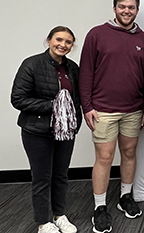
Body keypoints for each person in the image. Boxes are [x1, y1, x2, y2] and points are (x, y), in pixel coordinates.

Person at [79, 0, 144, 233]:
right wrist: (87, 106)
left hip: (133, 109)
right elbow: (86, 72)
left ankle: (125, 197)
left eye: (131, 7)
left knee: (129, 153)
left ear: (137, 10)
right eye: (122, 7)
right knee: (104, 157)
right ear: (114, 9)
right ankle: (100, 207)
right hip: (102, 110)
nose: (126, 11)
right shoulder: (96, 34)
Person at [11, 26, 82, 233]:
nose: (63, 45)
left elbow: (75, 100)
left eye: (68, 42)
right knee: (42, 177)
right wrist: (54, 106)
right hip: (37, 131)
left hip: (65, 132)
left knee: (61, 175)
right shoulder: (31, 64)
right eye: (59, 39)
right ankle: (43, 222)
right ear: (49, 40)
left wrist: (75, 122)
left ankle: (59, 215)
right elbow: (18, 99)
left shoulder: (73, 68)